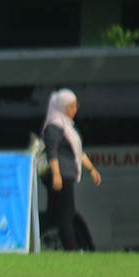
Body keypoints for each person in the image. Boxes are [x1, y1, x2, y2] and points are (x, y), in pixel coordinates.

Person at [41, 88, 101, 250]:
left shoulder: (67, 126)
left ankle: (31, 238)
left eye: (76, 106)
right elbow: (52, 151)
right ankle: (72, 248)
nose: (74, 110)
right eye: (71, 106)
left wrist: (91, 169)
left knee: (53, 214)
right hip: (61, 175)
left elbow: (78, 153)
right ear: (61, 107)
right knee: (67, 213)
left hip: (66, 174)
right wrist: (56, 174)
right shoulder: (54, 126)